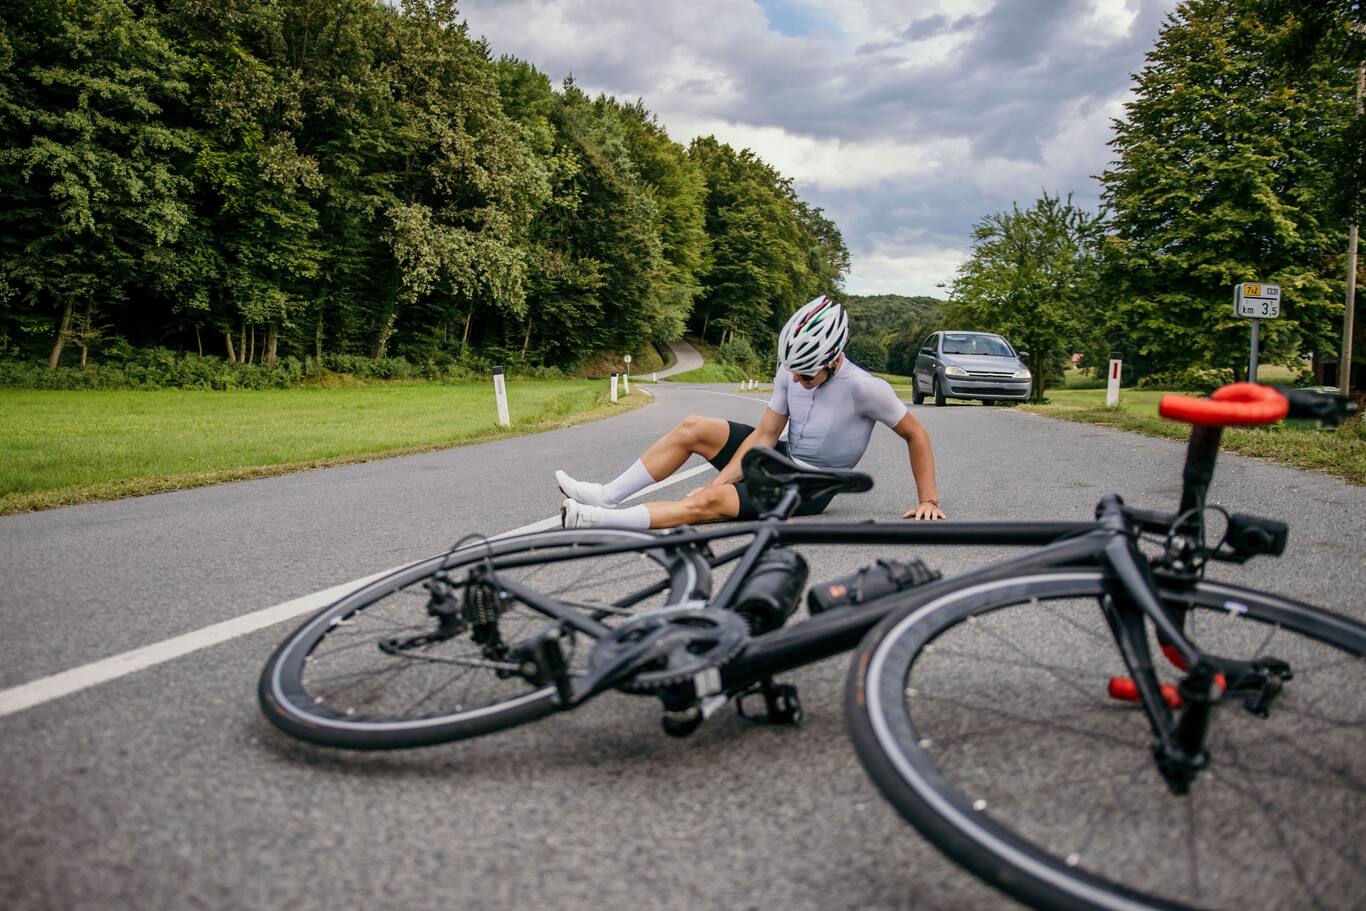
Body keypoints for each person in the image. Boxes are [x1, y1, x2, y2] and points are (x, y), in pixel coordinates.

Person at [558, 295, 945, 529]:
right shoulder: (790, 372)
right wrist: (723, 481)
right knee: (695, 427)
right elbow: (764, 438)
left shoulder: (865, 389)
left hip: (809, 487)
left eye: (807, 374)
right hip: (782, 456)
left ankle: (600, 521)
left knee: (708, 504)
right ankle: (607, 496)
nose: (797, 380)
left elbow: (917, 435)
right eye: (792, 371)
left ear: (834, 358)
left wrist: (928, 500)